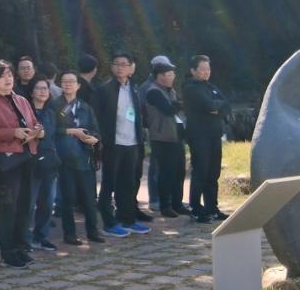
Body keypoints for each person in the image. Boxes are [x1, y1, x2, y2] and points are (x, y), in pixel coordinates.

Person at [0, 61, 40, 269]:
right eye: (2, 76)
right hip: (5, 161)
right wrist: (13, 132)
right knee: (8, 206)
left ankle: (21, 247)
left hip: (27, 156)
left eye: (9, 75)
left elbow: (34, 121)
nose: (8, 79)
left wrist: (38, 131)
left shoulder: (21, 99)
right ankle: (8, 252)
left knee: (24, 205)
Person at [93, 51, 151, 237]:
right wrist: (100, 141)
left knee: (128, 183)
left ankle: (127, 219)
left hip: (132, 143)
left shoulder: (133, 89)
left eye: (124, 64)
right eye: (116, 64)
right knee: (109, 183)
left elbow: (138, 115)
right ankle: (109, 223)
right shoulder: (104, 90)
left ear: (131, 67)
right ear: (111, 67)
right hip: (112, 143)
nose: (120, 67)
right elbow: (96, 117)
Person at [54, 71, 105, 245]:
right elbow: (51, 130)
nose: (68, 84)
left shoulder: (85, 107)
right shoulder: (54, 105)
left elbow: (96, 130)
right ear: (61, 85)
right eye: (64, 81)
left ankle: (93, 232)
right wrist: (72, 131)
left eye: (71, 81)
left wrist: (95, 139)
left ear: (78, 86)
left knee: (89, 198)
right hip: (65, 158)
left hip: (85, 157)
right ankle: (69, 234)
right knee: (68, 198)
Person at [183, 55, 232, 223]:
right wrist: (215, 107)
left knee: (213, 173)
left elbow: (226, 106)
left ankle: (212, 208)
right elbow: (209, 105)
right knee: (201, 172)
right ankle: (196, 209)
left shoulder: (211, 86)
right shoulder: (190, 88)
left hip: (214, 135)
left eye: (208, 69)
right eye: (202, 69)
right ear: (193, 70)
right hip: (199, 136)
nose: (206, 72)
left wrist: (216, 108)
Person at [145, 61, 188, 218]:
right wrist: (180, 104)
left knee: (179, 172)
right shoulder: (154, 92)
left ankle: (177, 204)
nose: (173, 77)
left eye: (173, 74)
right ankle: (165, 206)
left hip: (176, 137)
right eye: (169, 74)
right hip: (162, 138)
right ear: (160, 76)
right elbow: (168, 109)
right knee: (166, 173)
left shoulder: (170, 91)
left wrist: (178, 104)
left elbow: (176, 106)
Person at [27, 78, 61, 252]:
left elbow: (54, 135)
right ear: (31, 92)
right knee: (29, 203)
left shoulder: (50, 112)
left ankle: (41, 236)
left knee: (47, 203)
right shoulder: (25, 111)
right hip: (30, 162)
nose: (42, 91)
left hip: (49, 162)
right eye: (38, 88)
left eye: (45, 89)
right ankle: (24, 238)